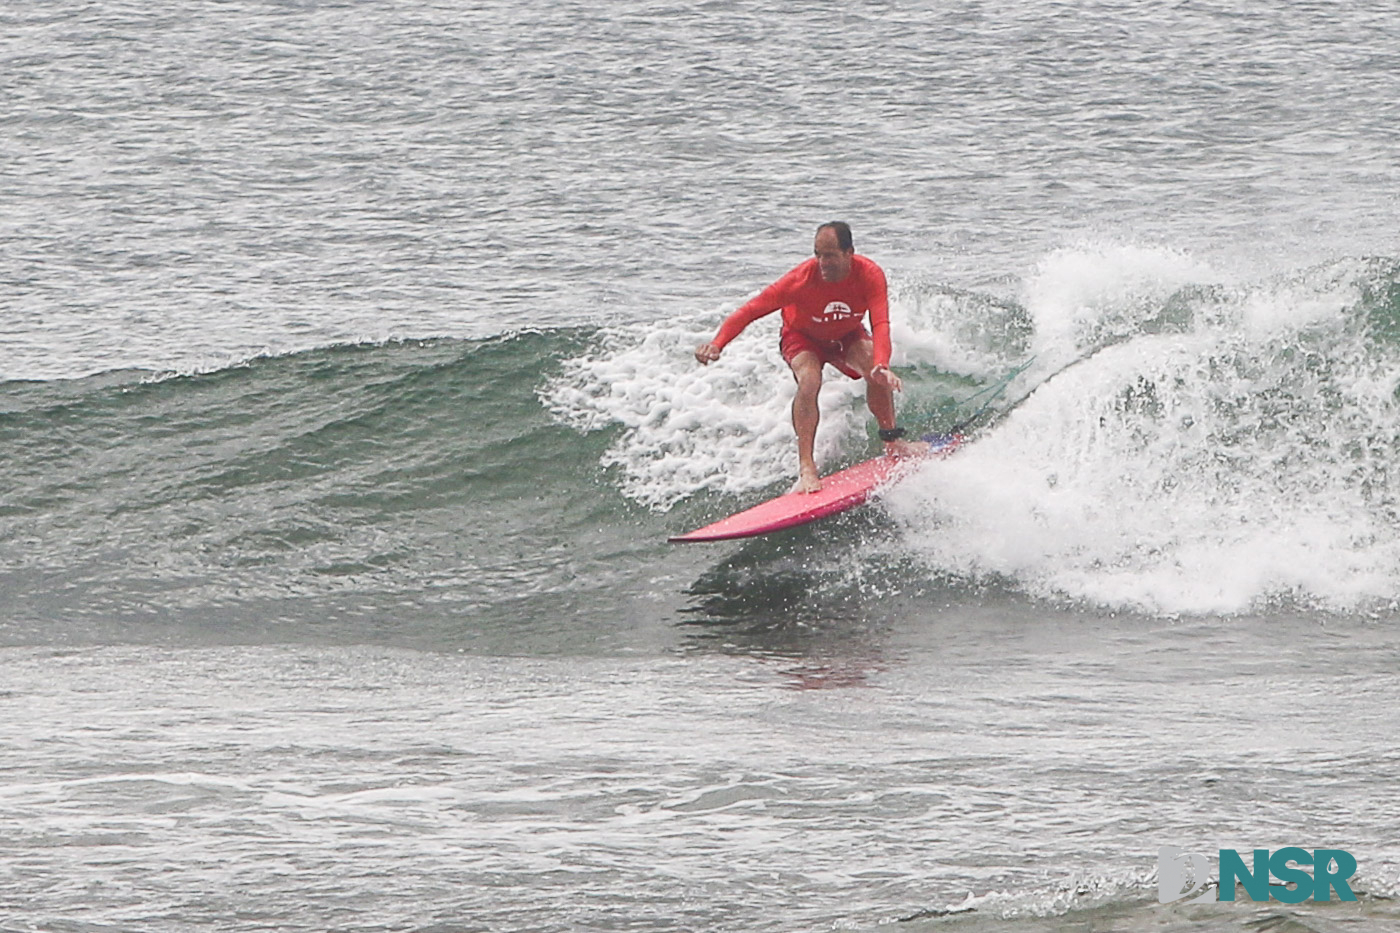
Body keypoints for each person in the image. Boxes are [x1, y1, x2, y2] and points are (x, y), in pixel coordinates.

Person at [694, 222, 914, 494]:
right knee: (810, 380)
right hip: (802, 337)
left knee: (875, 369)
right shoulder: (799, 281)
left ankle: (892, 441)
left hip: (846, 334)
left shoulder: (870, 275)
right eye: (818, 254)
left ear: (849, 253)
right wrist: (717, 344)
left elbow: (880, 323)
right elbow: (750, 311)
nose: (822, 262)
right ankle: (807, 467)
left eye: (830, 255)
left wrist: (882, 363)